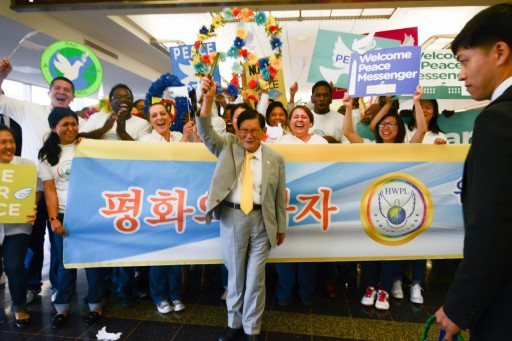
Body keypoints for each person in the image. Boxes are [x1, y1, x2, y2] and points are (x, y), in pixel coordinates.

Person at [435, 4, 512, 340]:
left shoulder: (499, 120)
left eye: (465, 61)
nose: (461, 74)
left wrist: (458, 306)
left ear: (499, 52)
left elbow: (493, 227)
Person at [196, 76, 286, 341]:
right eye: (243, 130)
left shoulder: (275, 158)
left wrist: (281, 226)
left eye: (254, 130)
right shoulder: (228, 146)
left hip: (263, 221)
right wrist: (208, 99)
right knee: (235, 276)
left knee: (256, 278)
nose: (248, 135)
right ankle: (233, 323)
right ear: (236, 129)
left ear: (263, 131)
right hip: (233, 217)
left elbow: (279, 196)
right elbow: (205, 132)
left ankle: (252, 328)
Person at [0, 56, 79, 304]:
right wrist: (1, 76)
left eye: (67, 89)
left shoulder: (77, 120)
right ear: (49, 93)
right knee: (31, 239)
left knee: (59, 241)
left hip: (64, 192)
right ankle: (32, 284)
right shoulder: (29, 109)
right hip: (30, 188)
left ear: (73, 97)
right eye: (57, 88)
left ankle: (59, 287)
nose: (62, 92)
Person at [343, 87, 427, 311]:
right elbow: (349, 134)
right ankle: (370, 287)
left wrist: (417, 102)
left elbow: (421, 130)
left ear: (398, 128)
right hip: (372, 209)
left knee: (392, 252)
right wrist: (349, 107)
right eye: (382, 124)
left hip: (398, 211)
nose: (385, 127)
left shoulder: (406, 149)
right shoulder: (370, 147)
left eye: (391, 124)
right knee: (370, 251)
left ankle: (384, 291)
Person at [39, 107, 106, 328]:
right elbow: (49, 189)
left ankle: (96, 305)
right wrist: (53, 219)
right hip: (63, 216)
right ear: (54, 128)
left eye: (74, 124)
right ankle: (62, 308)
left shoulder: (87, 146)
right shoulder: (47, 154)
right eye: (65, 124)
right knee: (65, 264)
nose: (71, 128)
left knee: (93, 263)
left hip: (90, 214)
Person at [0, 124, 39, 328]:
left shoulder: (25, 165)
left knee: (15, 267)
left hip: (17, 226)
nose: (9, 146)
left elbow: (36, 190)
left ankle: (18, 306)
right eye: (2, 142)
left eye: (11, 141)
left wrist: (32, 205)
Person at [79, 84, 151, 141]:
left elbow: (142, 151)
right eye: (119, 97)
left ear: (132, 102)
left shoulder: (143, 124)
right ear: (110, 102)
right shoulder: (97, 117)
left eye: (128, 98)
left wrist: (122, 132)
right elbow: (80, 137)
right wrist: (104, 128)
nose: (124, 100)